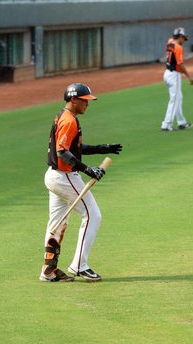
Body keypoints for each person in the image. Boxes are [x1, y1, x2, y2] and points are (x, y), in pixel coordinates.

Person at [40, 82, 122, 283]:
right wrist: (87, 169)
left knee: (57, 223)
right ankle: (79, 265)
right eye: (84, 100)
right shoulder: (69, 120)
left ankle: (49, 270)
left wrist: (101, 149)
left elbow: (73, 148)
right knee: (92, 215)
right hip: (64, 177)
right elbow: (62, 152)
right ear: (73, 99)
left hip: (53, 176)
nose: (87, 104)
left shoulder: (64, 116)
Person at [161, 27, 193, 132]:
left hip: (167, 74)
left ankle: (181, 122)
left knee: (178, 98)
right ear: (179, 37)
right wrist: (189, 77)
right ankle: (166, 125)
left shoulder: (170, 41)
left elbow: (172, 40)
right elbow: (180, 65)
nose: (184, 40)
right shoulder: (178, 48)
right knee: (174, 100)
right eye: (183, 38)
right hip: (174, 76)